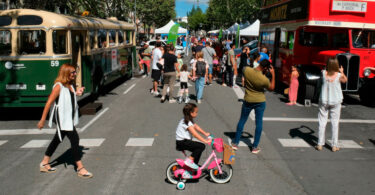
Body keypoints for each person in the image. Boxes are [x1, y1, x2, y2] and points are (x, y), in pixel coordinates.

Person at [37, 63, 93, 178]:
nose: (75, 74)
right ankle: (80, 168)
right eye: (72, 72)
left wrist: (77, 93)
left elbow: (69, 97)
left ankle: (44, 162)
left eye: (74, 72)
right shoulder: (59, 86)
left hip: (68, 117)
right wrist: (42, 120)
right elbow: (48, 103)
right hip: (62, 118)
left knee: (57, 139)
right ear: (66, 73)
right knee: (75, 139)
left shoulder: (69, 85)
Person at [231, 60, 275, 154]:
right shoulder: (264, 79)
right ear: (266, 68)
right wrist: (273, 74)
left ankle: (235, 143)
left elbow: (242, 68)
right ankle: (254, 147)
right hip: (260, 101)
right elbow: (271, 88)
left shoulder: (247, 70)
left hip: (248, 99)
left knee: (242, 121)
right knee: (259, 123)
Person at [316, 58, 347, 152]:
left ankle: (320, 144)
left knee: (322, 122)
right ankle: (334, 145)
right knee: (335, 123)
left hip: (324, 100)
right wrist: (342, 72)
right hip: (336, 101)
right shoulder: (338, 75)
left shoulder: (323, 73)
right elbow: (345, 80)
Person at [176, 103, 212, 169]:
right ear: (191, 113)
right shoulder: (186, 122)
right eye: (196, 112)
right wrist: (205, 141)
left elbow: (196, 126)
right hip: (182, 142)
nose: (197, 113)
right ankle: (189, 160)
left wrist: (205, 133)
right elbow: (195, 134)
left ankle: (193, 166)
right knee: (201, 146)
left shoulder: (188, 119)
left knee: (199, 147)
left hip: (184, 141)